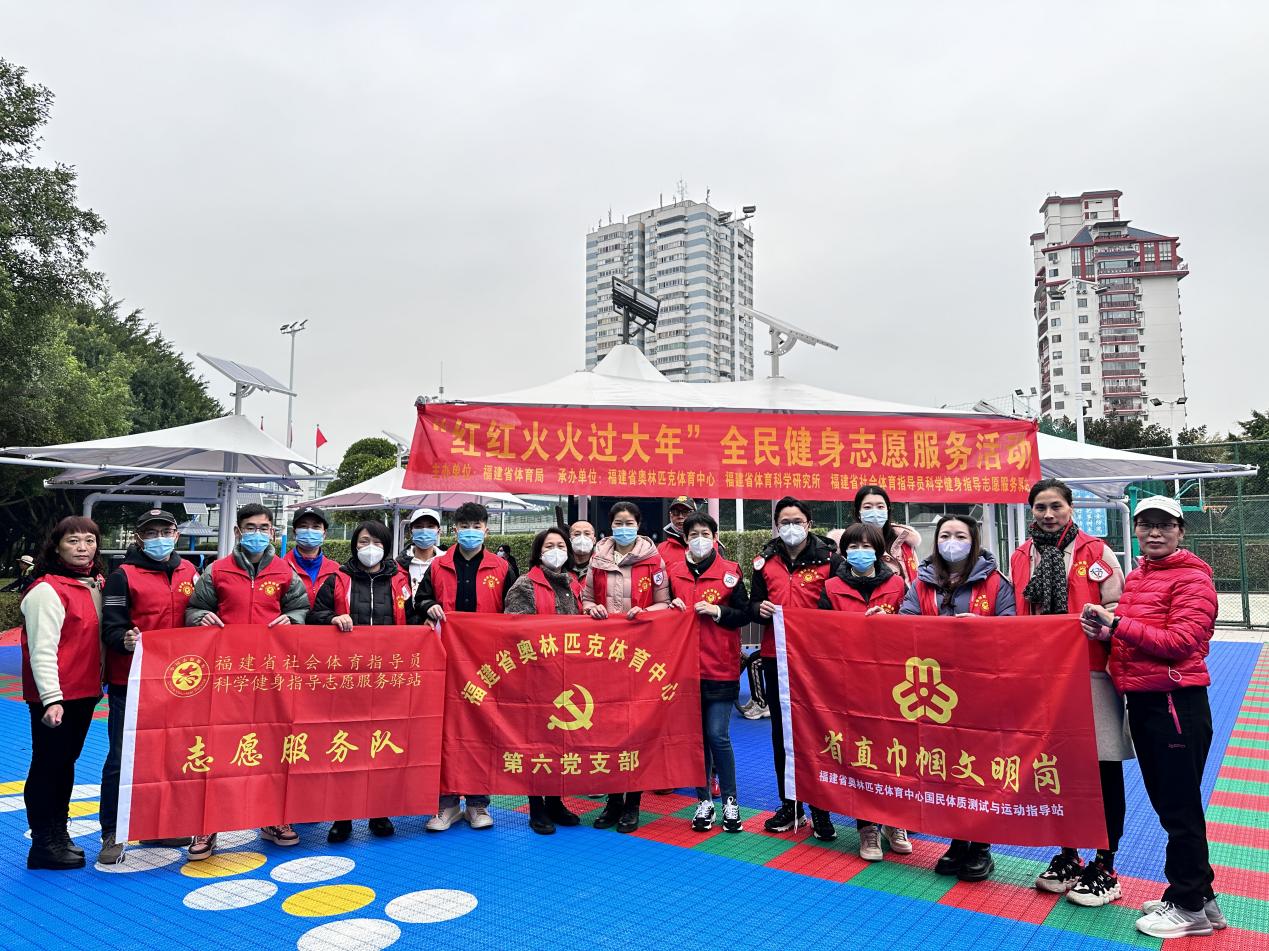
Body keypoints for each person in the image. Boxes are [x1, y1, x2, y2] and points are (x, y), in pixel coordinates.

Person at [1081, 496, 1225, 939]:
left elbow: (1180, 641)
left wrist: (1116, 625)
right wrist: (1106, 632)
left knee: (1179, 809)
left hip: (1175, 703)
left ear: (1181, 531)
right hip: (1145, 701)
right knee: (1172, 806)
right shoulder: (1141, 575)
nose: (1154, 532)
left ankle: (1188, 907)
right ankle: (1201, 898)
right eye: (1146, 524)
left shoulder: (1192, 579)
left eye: (1165, 525)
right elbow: (1138, 637)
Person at [1012, 479, 1132, 906]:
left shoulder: (1096, 553)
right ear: (1031, 511)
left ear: (1071, 508)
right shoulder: (1021, 556)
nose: (1048, 514)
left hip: (1092, 671)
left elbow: (1120, 607)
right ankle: (1069, 854)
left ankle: (1106, 863)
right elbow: (1017, 614)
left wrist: (1099, 620)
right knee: (1057, 767)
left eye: (1056, 506)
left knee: (1102, 767)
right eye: (1040, 507)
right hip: (1045, 679)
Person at [184, 503, 310, 860]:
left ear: (273, 532)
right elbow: (193, 609)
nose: (257, 533)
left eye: (264, 527)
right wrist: (200, 617)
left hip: (271, 675)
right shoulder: (217, 571)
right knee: (217, 747)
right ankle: (207, 826)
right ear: (238, 532)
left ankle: (273, 819)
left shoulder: (285, 572)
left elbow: (302, 609)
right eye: (250, 527)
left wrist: (293, 619)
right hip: (226, 675)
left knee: (272, 745)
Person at [900, 514, 1015, 882]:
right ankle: (956, 840)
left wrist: (984, 628)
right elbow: (904, 621)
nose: (952, 541)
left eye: (960, 535)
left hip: (982, 688)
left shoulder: (995, 582)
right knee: (947, 766)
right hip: (935, 690)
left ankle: (981, 845)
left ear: (974, 540)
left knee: (979, 766)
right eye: (945, 535)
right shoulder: (922, 581)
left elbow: (1014, 628)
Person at [98, 509, 199, 864]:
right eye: (151, 532)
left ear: (176, 534)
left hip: (179, 682)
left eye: (165, 531)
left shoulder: (190, 571)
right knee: (122, 757)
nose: (159, 538)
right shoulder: (122, 576)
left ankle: (158, 825)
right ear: (139, 537)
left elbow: (197, 615)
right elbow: (110, 627)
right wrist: (123, 639)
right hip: (131, 681)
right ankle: (113, 831)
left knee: (168, 756)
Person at [309, 520, 417, 843]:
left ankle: (379, 812)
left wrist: (427, 614)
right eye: (364, 541)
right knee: (344, 745)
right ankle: (342, 816)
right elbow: (315, 616)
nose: (370, 548)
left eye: (378, 542)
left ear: (387, 547)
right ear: (354, 545)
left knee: (381, 745)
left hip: (387, 679)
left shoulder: (400, 580)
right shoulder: (337, 579)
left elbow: (412, 620)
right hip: (346, 678)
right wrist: (332, 618)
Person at [416, 501, 514, 832]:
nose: (471, 532)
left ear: (486, 530)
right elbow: (418, 601)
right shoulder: (438, 566)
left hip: (488, 664)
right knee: (444, 731)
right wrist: (429, 606)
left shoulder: (502, 568)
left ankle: (477, 803)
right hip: (446, 661)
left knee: (480, 729)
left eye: (477, 526)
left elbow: (516, 613)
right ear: (454, 530)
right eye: (465, 527)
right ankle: (445, 804)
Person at [750, 496, 842, 840]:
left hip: (815, 660)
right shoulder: (765, 560)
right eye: (784, 522)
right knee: (782, 732)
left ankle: (820, 807)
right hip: (776, 657)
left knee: (816, 731)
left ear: (809, 524)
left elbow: (837, 606)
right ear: (777, 526)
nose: (791, 527)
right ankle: (790, 805)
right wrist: (758, 609)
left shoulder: (830, 559)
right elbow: (752, 604)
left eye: (797, 521)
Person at [817, 523, 910, 861]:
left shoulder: (897, 584)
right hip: (850, 682)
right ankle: (867, 826)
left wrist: (889, 623)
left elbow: (913, 628)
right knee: (862, 753)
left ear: (878, 550)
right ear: (844, 552)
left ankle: (895, 821)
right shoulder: (831, 587)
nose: (860, 551)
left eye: (867, 546)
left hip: (894, 684)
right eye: (853, 546)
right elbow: (822, 633)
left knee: (896, 753)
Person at [581, 501, 673, 833]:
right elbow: (586, 598)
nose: (623, 528)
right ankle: (612, 802)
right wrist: (591, 609)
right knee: (606, 727)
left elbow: (664, 602)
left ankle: (632, 803)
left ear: (638, 525)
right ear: (610, 526)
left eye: (629, 522)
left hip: (640, 657)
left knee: (636, 728)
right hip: (605, 655)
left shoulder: (654, 559)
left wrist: (645, 613)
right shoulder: (597, 558)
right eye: (618, 523)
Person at [19, 517, 105, 871]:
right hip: (57, 697)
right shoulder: (47, 590)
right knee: (47, 765)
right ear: (56, 547)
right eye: (73, 541)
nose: (82, 547)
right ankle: (43, 843)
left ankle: (59, 831)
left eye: (89, 540)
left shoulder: (92, 584)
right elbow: (42, 649)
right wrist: (51, 698)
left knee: (64, 764)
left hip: (84, 692)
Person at [665, 513, 748, 834]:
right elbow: (659, 608)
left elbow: (744, 614)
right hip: (683, 670)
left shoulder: (730, 572)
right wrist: (669, 608)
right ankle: (704, 801)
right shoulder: (673, 572)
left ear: (715, 537)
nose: (699, 539)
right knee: (697, 739)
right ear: (685, 539)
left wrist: (718, 611)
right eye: (693, 534)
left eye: (705, 533)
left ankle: (730, 801)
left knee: (717, 735)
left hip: (720, 666)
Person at [503, 527, 585, 835]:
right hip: (535, 676)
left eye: (560, 545)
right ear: (538, 552)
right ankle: (536, 806)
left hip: (567, 675)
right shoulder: (524, 585)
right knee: (536, 744)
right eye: (549, 546)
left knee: (559, 743)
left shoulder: (573, 584)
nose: (556, 550)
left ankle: (555, 801)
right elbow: (515, 629)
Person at [853, 484, 922, 583]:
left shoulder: (904, 542)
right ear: (858, 512)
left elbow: (916, 580)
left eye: (880, 507)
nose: (875, 512)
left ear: (887, 510)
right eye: (868, 507)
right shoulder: (848, 544)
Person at [283, 505, 340, 608]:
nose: (309, 531)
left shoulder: (336, 570)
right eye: (303, 526)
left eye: (316, 527)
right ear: (294, 532)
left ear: (324, 533)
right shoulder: (280, 567)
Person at [396, 507, 443, 598]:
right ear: (411, 531)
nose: (424, 530)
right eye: (419, 526)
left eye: (430, 526)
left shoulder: (447, 562)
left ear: (438, 531)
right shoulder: (399, 565)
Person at [656, 496, 698, 567]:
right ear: (670, 516)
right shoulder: (661, 548)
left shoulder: (709, 545)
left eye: (686, 512)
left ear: (696, 515)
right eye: (675, 512)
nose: (680, 516)